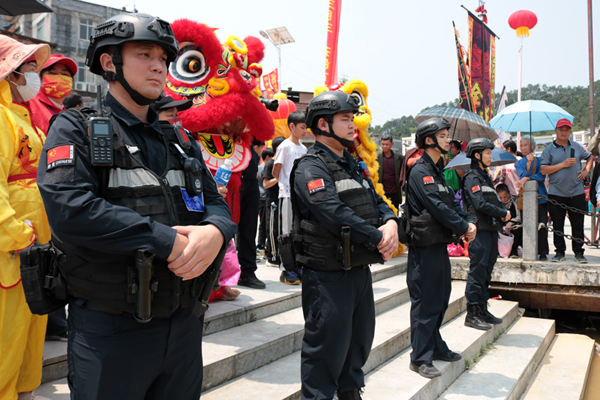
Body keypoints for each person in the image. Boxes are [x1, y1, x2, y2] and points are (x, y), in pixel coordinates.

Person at [37, 14, 236, 399]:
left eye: (163, 56)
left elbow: (216, 203)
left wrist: (216, 232)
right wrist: (165, 241)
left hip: (183, 324)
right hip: (110, 329)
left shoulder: (178, 137)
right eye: (144, 53)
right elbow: (70, 209)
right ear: (110, 63)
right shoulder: (75, 127)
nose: (159, 65)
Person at [292, 91, 398, 400]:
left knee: (357, 344)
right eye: (346, 119)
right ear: (323, 124)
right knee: (325, 350)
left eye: (353, 119)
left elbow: (377, 200)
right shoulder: (311, 166)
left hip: (357, 269)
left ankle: (351, 393)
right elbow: (331, 211)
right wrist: (377, 236)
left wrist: (391, 222)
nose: (353, 126)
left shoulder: (352, 163)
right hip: (327, 274)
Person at [0, 34, 52, 400]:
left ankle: (23, 390)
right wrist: (16, 233)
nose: (36, 75)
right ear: (10, 74)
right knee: (8, 331)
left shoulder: (22, 116)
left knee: (30, 327)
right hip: (14, 245)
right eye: (28, 68)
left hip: (33, 243)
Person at [404, 118, 476, 379]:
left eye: (448, 135)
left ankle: (435, 346)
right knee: (425, 301)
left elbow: (452, 203)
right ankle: (419, 357)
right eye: (443, 136)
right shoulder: (420, 171)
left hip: (438, 246)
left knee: (441, 296)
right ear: (428, 140)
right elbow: (436, 206)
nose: (448, 140)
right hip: (424, 249)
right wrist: (463, 227)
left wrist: (466, 221)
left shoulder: (438, 170)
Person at [462, 138, 511, 331]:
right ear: (477, 155)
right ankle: (472, 313)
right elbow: (479, 203)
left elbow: (494, 200)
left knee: (487, 269)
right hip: (479, 231)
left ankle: (482, 308)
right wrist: (502, 213)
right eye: (488, 153)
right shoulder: (471, 177)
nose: (491, 156)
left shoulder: (485, 177)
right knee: (478, 270)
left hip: (490, 230)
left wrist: (504, 211)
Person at [540, 118, 592, 263]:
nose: (564, 132)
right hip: (556, 192)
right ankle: (559, 252)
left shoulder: (577, 146)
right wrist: (562, 164)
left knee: (578, 224)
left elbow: (590, 157)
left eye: (567, 129)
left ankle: (579, 253)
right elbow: (543, 169)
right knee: (558, 225)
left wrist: (586, 171)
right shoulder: (549, 149)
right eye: (561, 129)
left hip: (577, 192)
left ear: (570, 131)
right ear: (556, 131)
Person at [273, 110, 308, 284]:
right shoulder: (285, 146)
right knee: (285, 231)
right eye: (302, 127)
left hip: (299, 196)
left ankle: (296, 265)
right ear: (292, 126)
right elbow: (276, 170)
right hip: (286, 195)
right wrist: (283, 183)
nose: (305, 131)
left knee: (297, 231)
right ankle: (286, 269)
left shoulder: (303, 148)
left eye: (306, 127)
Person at [237, 138, 266, 289]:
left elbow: (258, 141)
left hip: (250, 180)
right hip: (231, 177)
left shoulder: (254, 128)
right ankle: (221, 275)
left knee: (249, 229)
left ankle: (247, 273)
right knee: (225, 228)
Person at [515, 135, 549, 261]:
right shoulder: (518, 163)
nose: (523, 148)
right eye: (521, 145)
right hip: (525, 197)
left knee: (542, 225)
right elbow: (522, 175)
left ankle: (543, 251)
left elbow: (541, 176)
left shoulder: (540, 160)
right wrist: (528, 165)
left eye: (526, 145)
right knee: (527, 225)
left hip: (541, 197)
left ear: (533, 146)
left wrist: (527, 177)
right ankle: (528, 249)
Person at [29, 54, 77, 135]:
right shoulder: (30, 103)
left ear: (71, 81)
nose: (59, 78)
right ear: (40, 78)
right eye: (52, 73)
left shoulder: (65, 113)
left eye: (65, 74)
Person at [263, 136, 285, 268]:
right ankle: (272, 256)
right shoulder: (271, 164)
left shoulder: (285, 162)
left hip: (284, 199)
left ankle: (280, 254)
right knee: (272, 228)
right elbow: (265, 184)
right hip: (273, 201)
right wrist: (278, 177)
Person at [376, 134, 403, 209]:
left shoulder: (399, 158)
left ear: (392, 144)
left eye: (387, 144)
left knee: (395, 215)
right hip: (381, 193)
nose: (384, 146)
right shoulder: (376, 157)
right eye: (383, 144)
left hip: (394, 192)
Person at [496, 184, 522, 258]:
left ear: (509, 193)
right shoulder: (495, 201)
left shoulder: (515, 200)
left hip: (512, 223)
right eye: (500, 197)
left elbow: (519, 216)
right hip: (500, 224)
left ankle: (514, 250)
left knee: (518, 227)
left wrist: (510, 223)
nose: (503, 200)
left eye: (505, 197)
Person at [257, 147, 274, 253]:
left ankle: (261, 243)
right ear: (268, 157)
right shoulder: (267, 168)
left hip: (259, 196)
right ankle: (261, 244)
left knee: (262, 222)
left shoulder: (257, 168)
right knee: (264, 223)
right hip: (264, 197)